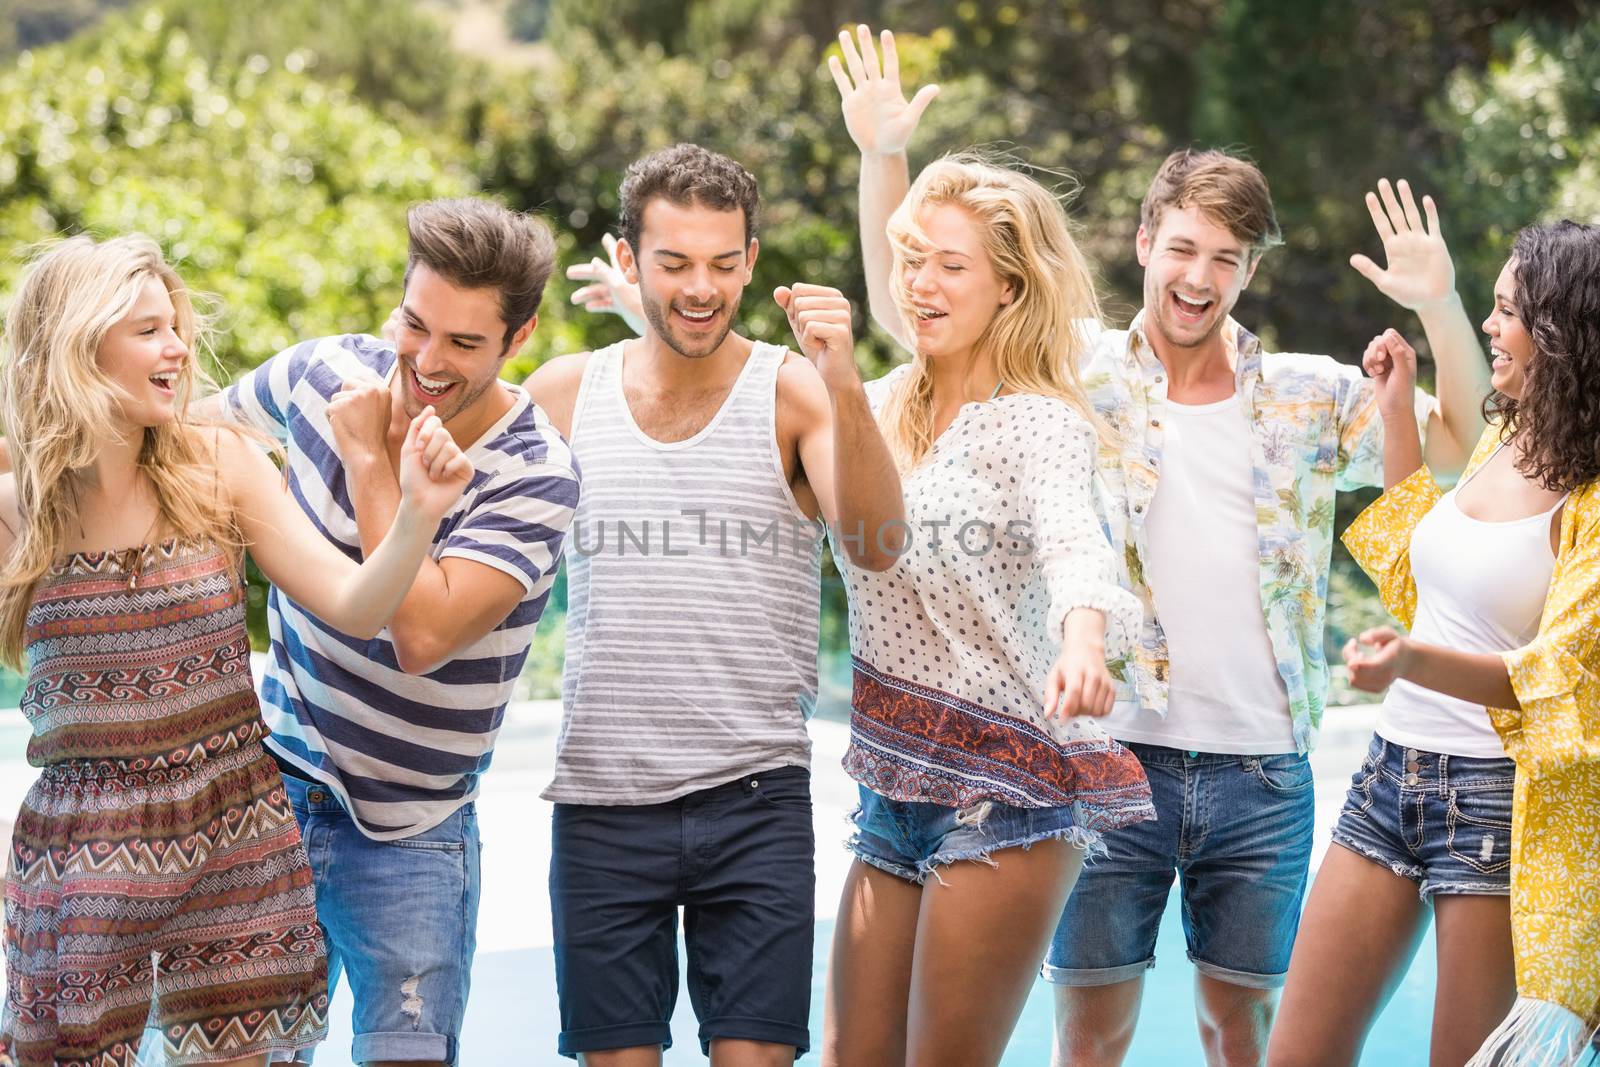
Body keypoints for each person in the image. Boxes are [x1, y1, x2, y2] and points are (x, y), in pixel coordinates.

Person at [833, 24, 1491, 1066]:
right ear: (1145, 244)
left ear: (1246, 272)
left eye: (1226, 258)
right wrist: (883, 157)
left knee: (1243, 1028)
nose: (1200, 274)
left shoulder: (1304, 393)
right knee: (1088, 1035)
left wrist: (1440, 307)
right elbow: (909, 298)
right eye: (1182, 247)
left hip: (1261, 768)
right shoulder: (1072, 372)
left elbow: (1454, 444)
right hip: (1106, 752)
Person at [0, 234, 472, 1067]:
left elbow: (358, 605)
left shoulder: (221, 465)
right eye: (148, 330)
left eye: (175, 325)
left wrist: (419, 515)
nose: (178, 346)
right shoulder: (18, 507)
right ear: (78, 343)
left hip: (230, 826)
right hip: (81, 844)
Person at [523, 143, 903, 1066]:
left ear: (750, 260)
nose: (702, 287)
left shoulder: (796, 392)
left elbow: (879, 548)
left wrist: (845, 374)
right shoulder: (564, 396)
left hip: (755, 799)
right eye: (675, 263)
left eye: (724, 264)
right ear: (628, 261)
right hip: (603, 802)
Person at [221, 198, 580, 1067]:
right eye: (416, 325)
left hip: (414, 831)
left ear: (517, 339)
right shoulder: (318, 376)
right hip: (269, 793)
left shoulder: (537, 474)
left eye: (464, 343)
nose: (426, 360)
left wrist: (371, 462)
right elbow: (182, 442)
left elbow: (418, 633)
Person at [1278, 221, 1600, 1067]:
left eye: (1505, 312)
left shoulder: (1593, 495)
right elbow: (1417, 580)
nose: (1491, 328)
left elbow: (1556, 679)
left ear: (1562, 331)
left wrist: (1409, 661)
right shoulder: (1509, 433)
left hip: (1491, 807)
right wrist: (1396, 413)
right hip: (1388, 776)